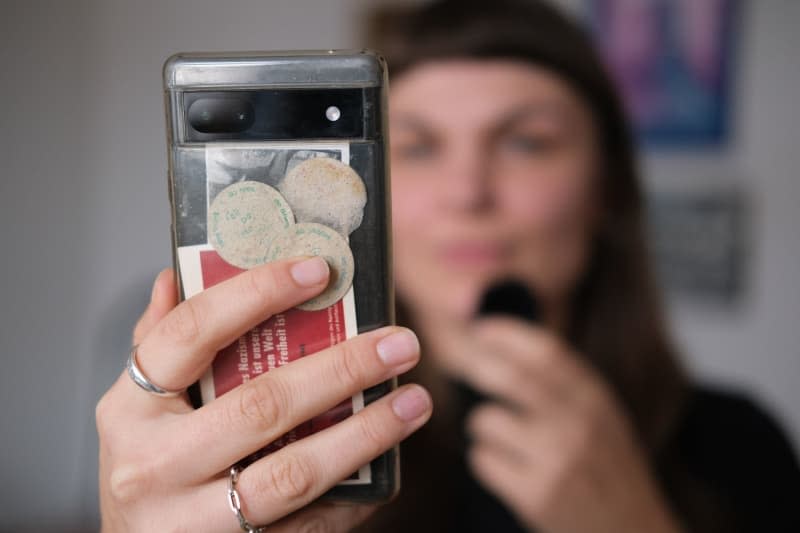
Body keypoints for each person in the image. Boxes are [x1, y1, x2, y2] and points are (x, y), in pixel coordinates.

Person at [96, 1, 800, 531]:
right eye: (419, 147)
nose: (469, 193)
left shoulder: (738, 445)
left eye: (527, 142)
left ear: (606, 190)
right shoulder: (235, 446)